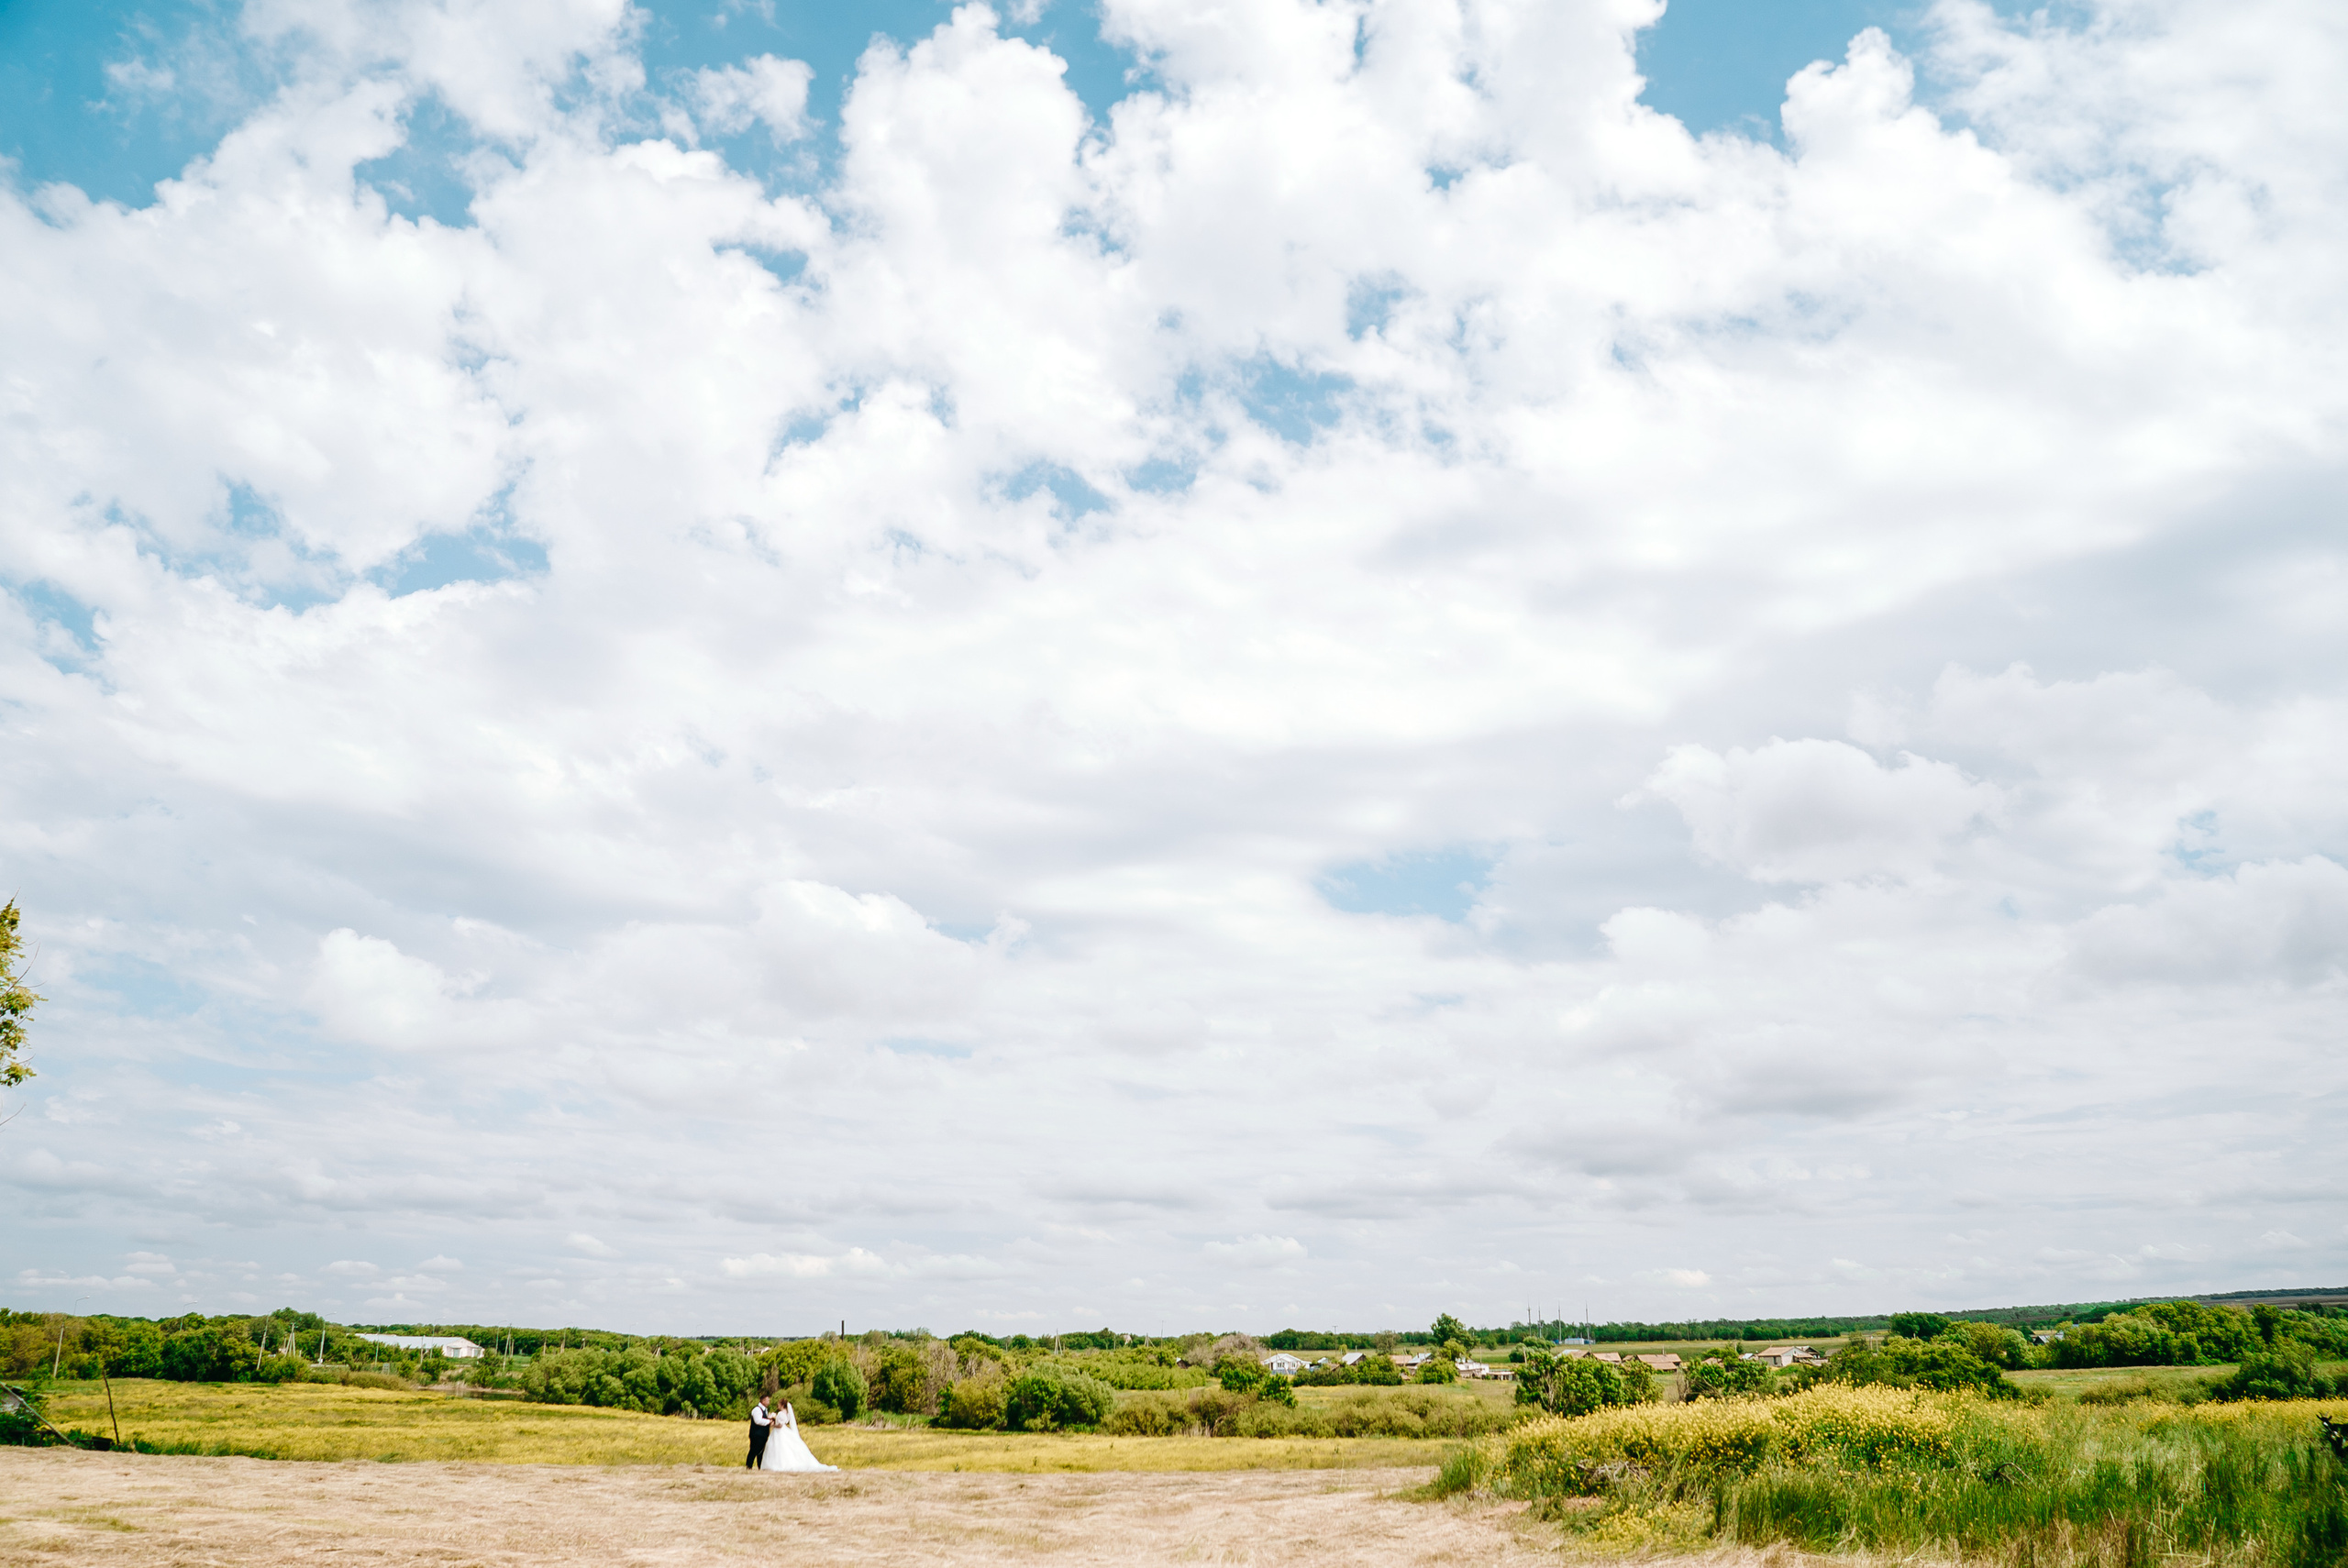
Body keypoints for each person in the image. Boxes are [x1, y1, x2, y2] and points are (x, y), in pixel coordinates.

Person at [758, 1400, 837, 1473]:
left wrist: (773, 1425)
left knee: (779, 1448)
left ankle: (777, 1464)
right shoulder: (786, 1413)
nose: (777, 1405)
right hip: (783, 1431)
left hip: (779, 1432)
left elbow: (780, 1425)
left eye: (778, 1404)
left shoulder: (781, 1413)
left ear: (782, 1405)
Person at [746, 1395, 773, 1468]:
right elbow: (758, 1421)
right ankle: (749, 1466)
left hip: (763, 1434)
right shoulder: (757, 1409)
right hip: (756, 1434)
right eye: (767, 1400)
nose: (769, 1402)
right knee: (754, 1450)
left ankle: (760, 1466)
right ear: (763, 1401)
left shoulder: (765, 1410)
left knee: (761, 1452)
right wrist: (768, 1421)